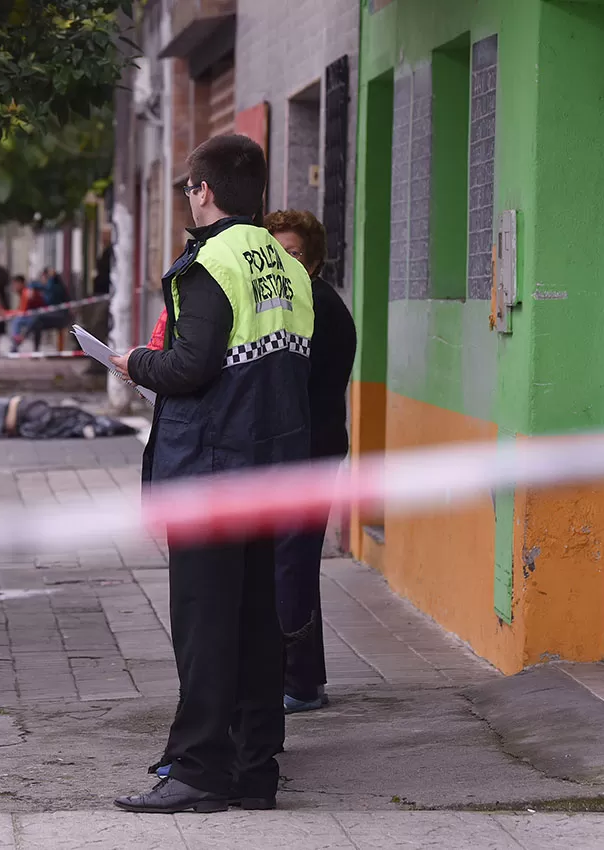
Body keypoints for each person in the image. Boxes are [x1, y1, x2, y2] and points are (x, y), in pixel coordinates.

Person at [108, 133, 315, 814]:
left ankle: (198, 768)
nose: (186, 198)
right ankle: (255, 770)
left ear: (202, 190)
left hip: (210, 470)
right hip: (269, 469)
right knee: (257, 625)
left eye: (186, 188)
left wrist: (132, 363)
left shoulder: (211, 263)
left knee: (204, 625)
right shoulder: (287, 267)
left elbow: (191, 367)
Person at [261, 209, 357, 713]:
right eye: (274, 252)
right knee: (293, 565)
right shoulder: (303, 302)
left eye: (292, 252)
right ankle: (307, 679)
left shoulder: (315, 306)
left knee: (290, 568)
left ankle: (298, 684)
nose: (282, 261)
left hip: (310, 454)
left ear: (314, 259)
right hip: (305, 451)